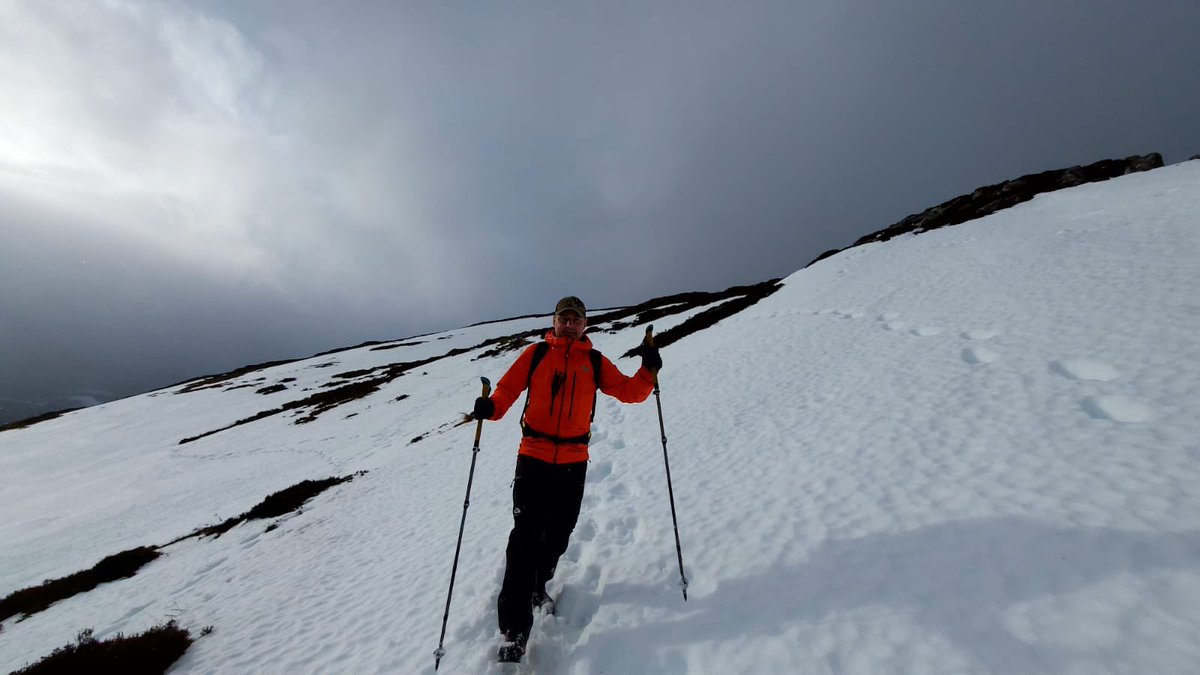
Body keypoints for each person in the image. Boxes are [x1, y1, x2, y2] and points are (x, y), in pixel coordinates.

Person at [472, 295, 663, 662]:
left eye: (576, 319)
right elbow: (508, 390)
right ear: (554, 321)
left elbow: (628, 392)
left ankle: (537, 585)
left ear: (585, 325)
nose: (570, 324)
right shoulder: (535, 355)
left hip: (574, 459)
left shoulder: (593, 360)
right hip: (533, 456)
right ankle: (514, 631)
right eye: (565, 318)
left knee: (559, 532)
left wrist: (648, 371)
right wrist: (490, 408)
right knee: (525, 537)